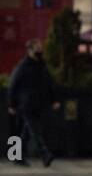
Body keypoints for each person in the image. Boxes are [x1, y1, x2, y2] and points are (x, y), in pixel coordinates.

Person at [8, 38, 61, 167]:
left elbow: (49, 84)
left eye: (40, 48)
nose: (40, 51)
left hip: (39, 104)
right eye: (36, 48)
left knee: (27, 132)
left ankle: (17, 157)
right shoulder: (22, 67)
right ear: (29, 51)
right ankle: (45, 154)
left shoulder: (42, 66)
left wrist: (54, 99)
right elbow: (13, 86)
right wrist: (11, 104)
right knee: (35, 131)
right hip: (26, 105)